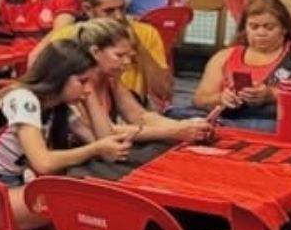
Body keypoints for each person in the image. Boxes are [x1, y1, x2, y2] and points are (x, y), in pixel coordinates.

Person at [0, 40, 130, 230]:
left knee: (88, 207)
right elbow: (43, 163)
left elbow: (105, 142)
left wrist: (90, 99)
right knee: (81, 207)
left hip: (10, 187)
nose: (87, 89)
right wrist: (96, 149)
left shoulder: (58, 105)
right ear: (59, 77)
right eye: (82, 81)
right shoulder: (23, 100)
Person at [38, 19, 207, 145]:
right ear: (95, 52)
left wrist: (187, 126)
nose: (127, 63)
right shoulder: (74, 83)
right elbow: (104, 132)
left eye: (130, 56)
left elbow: (139, 116)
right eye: (119, 56)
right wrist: (173, 131)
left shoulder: (111, 78)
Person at [193, 0, 291, 132]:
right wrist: (222, 98)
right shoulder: (223, 57)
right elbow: (200, 99)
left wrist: (272, 95)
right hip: (230, 123)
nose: (261, 33)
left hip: (281, 127)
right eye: (254, 27)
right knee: (176, 115)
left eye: (269, 27)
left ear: (284, 29)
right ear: (245, 29)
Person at [73, 0, 175, 108]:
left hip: (135, 110)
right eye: (109, 11)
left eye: (122, 9)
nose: (118, 17)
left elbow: (164, 92)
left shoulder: (145, 33)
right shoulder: (72, 36)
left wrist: (138, 46)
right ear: (87, 9)